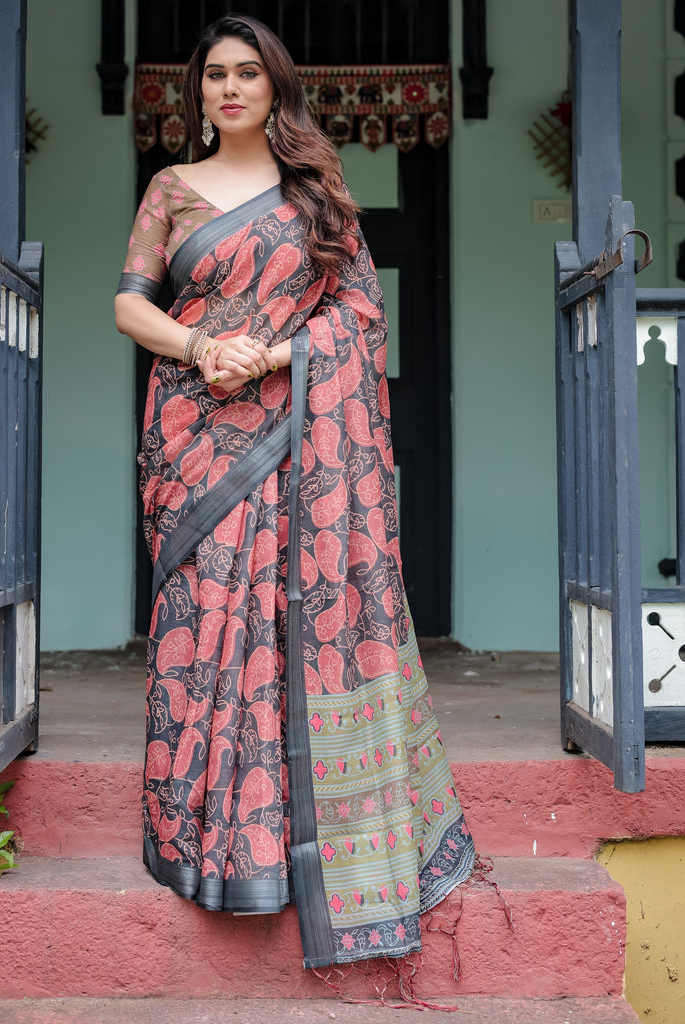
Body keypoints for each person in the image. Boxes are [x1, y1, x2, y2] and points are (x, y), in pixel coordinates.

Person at [115, 13, 476, 973]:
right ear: (194, 94)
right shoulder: (172, 189)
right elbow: (129, 301)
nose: (229, 89)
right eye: (213, 77)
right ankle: (202, 837)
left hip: (285, 416)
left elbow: (357, 313)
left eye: (247, 74)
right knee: (204, 618)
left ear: (275, 88)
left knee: (279, 619)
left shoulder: (316, 196)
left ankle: (278, 844)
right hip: (192, 430)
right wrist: (200, 347)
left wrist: (272, 352)